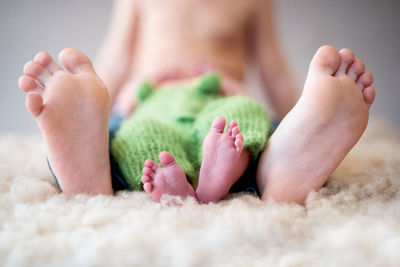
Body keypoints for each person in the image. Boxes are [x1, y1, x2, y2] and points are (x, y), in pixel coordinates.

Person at [18, 0, 375, 204]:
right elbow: (116, 59)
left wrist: (301, 119)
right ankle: (93, 170)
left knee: (246, 118)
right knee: (137, 132)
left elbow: (275, 72)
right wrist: (93, 112)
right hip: (151, 101)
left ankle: (283, 161)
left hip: (224, 98)